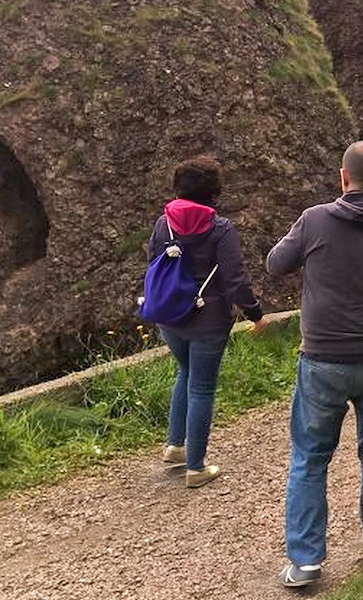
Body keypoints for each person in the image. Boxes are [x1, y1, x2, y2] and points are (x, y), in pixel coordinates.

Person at [266, 140, 363, 588]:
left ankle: (305, 561)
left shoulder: (314, 220)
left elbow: (276, 264)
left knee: (310, 457)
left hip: (323, 357)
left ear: (343, 178)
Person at [150, 156, 265, 489]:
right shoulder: (220, 228)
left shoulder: (163, 224)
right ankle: (196, 467)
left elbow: (153, 262)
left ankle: (175, 446)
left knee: (184, 372)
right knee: (201, 387)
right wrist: (254, 312)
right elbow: (235, 278)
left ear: (178, 189)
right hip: (209, 319)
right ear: (214, 193)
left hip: (170, 316)